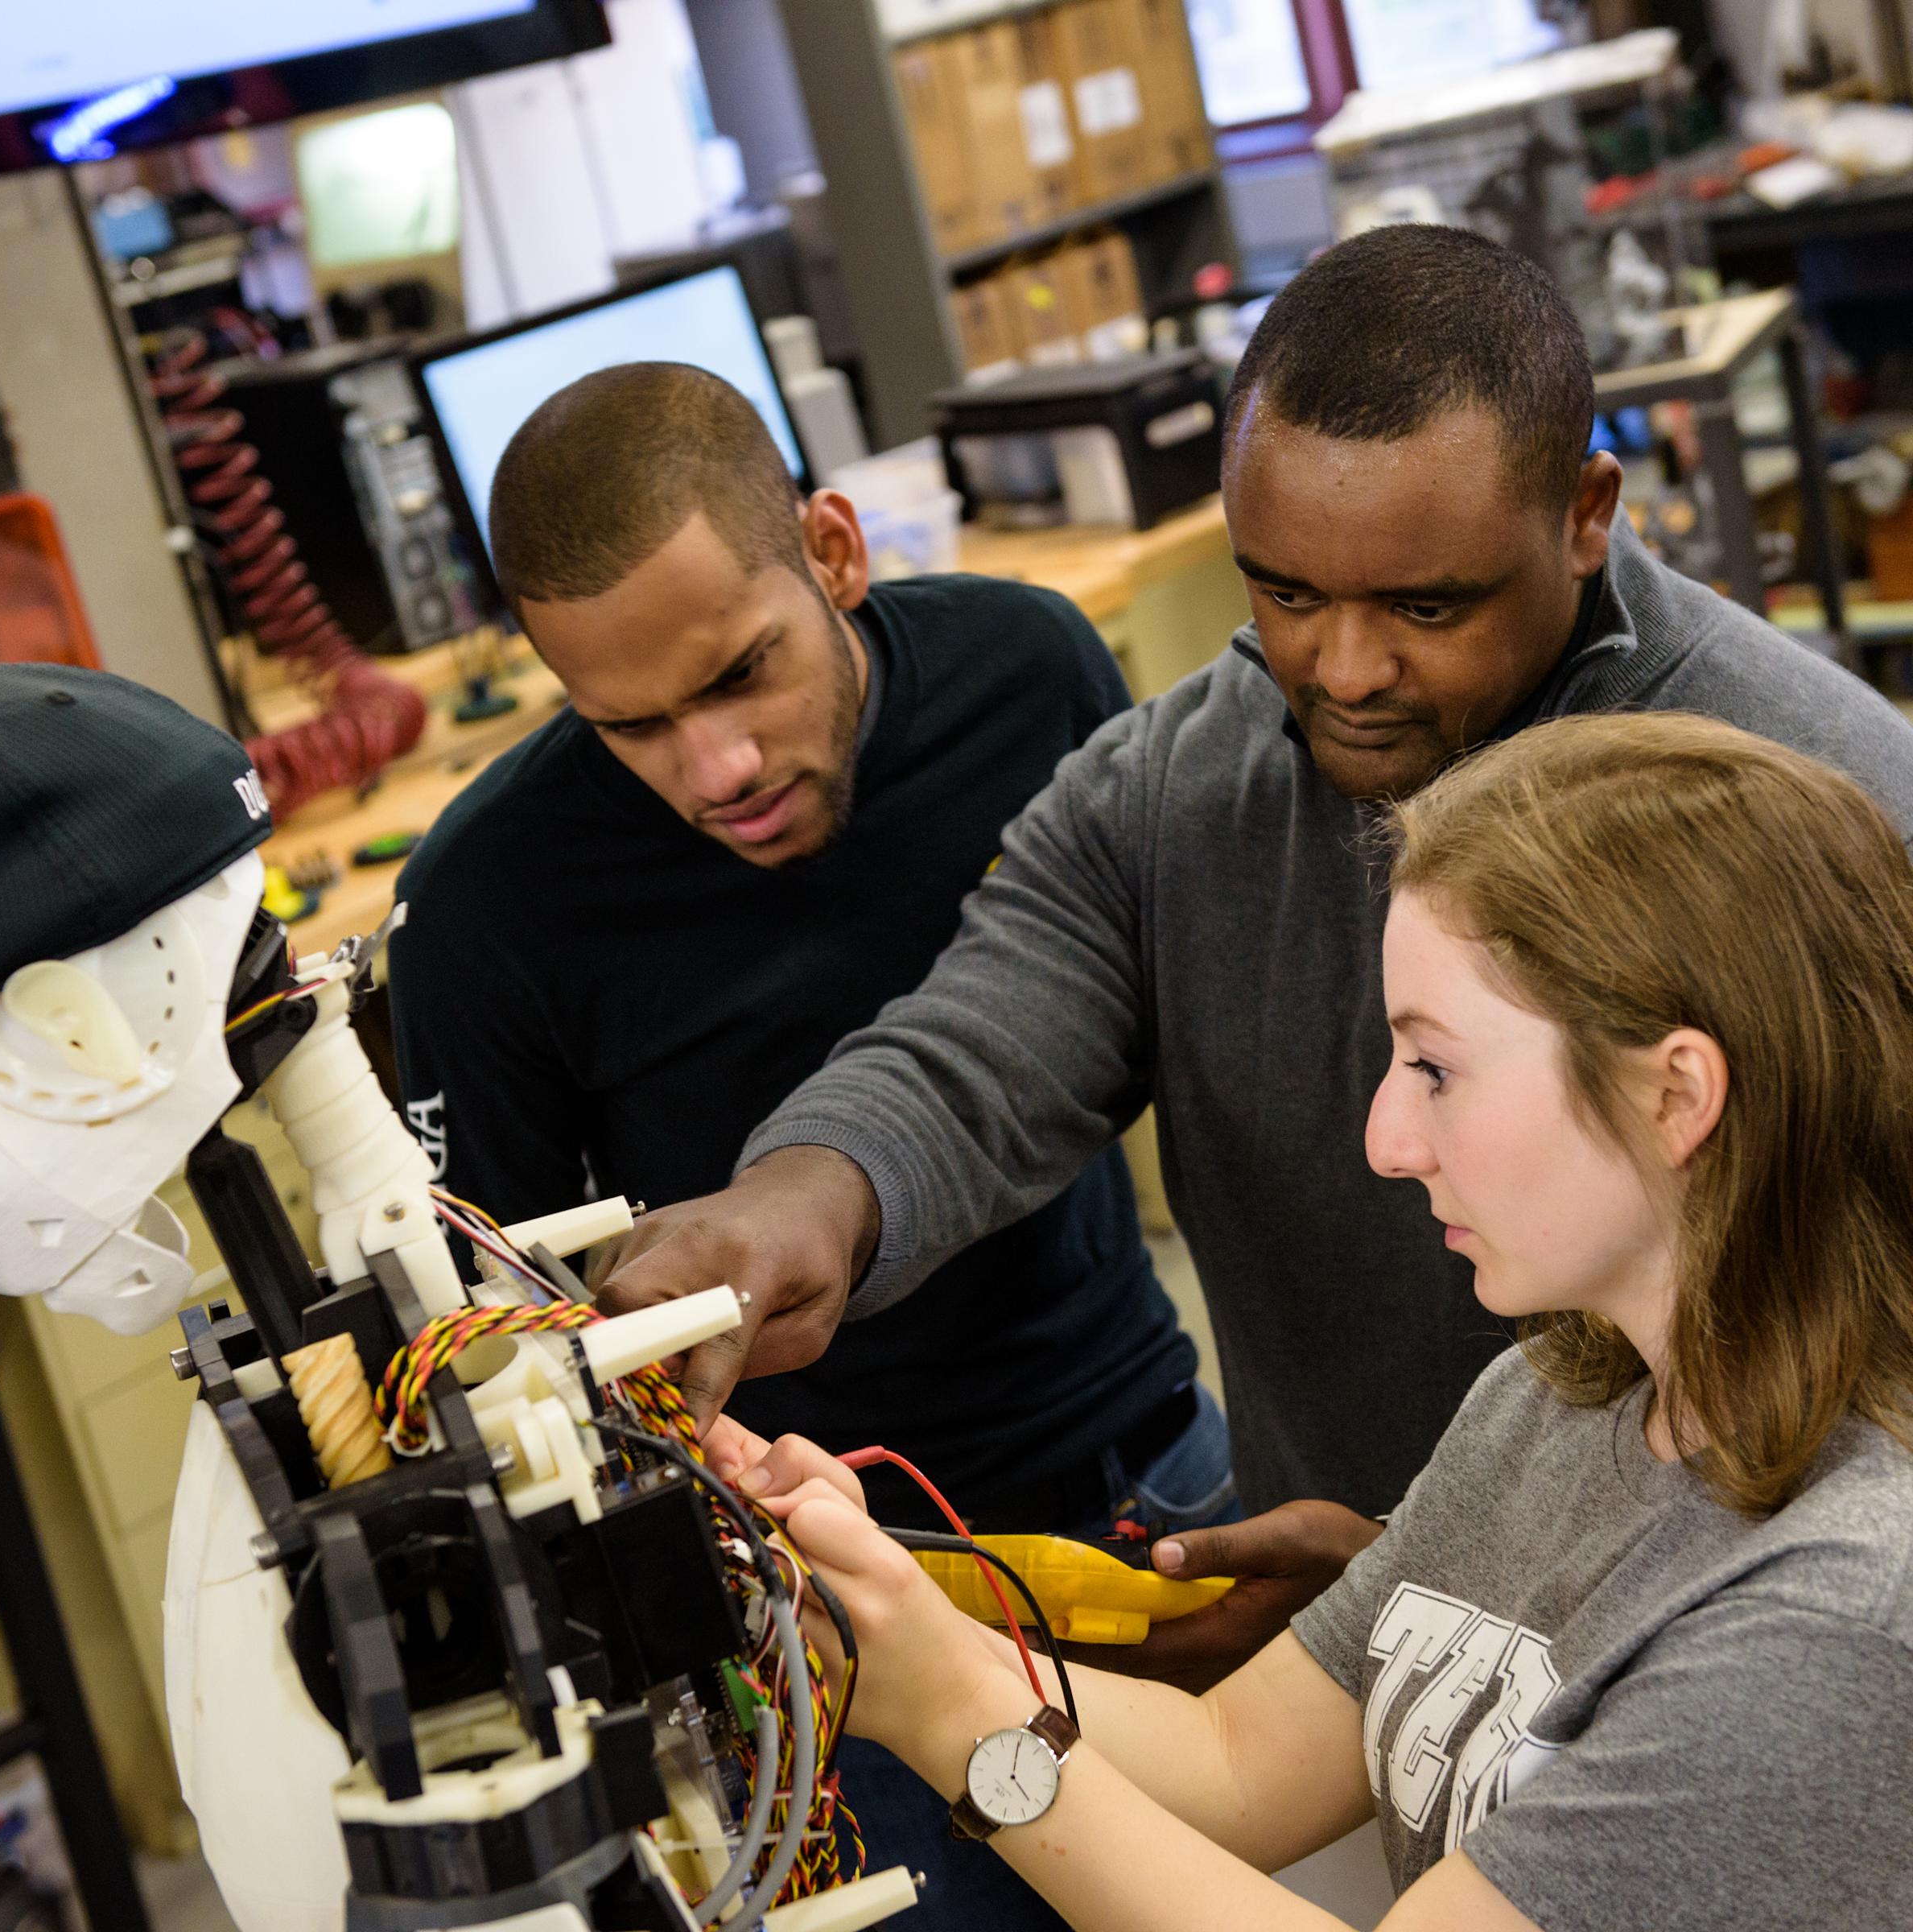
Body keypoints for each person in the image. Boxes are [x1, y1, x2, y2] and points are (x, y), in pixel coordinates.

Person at [596, 224, 1913, 1687]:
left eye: (1427, 607)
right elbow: (983, 1044)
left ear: (1587, 510)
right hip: (1369, 1645)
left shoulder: (1827, 808)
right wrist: (799, 1205)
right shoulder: (1177, 791)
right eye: (1285, 592)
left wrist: (1481, 1584)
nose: (1344, 669)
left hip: (1753, 1674)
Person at [706, 712, 1913, 1931]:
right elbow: (1235, 1758)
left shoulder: (1843, 1612)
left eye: (1435, 1068)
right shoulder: (1555, 1401)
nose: (1387, 1140)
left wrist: (955, 1722)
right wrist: (885, 1620)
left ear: (1676, 1095)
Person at [387, 362, 1231, 1931]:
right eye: (629, 726)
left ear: (834, 553)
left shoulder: (1027, 677)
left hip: (1144, 1483)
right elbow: (505, 1338)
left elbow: (1139, 1024)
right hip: (824, 1603)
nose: (716, 770)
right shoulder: (489, 906)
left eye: (741, 676)